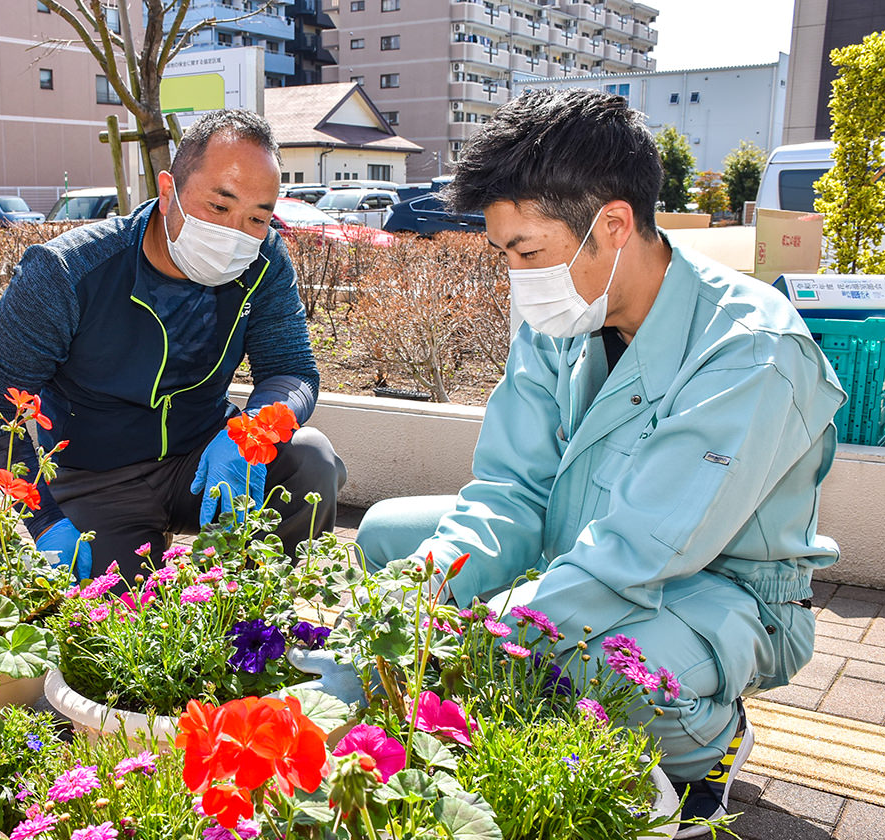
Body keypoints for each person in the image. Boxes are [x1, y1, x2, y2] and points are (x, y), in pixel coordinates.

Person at [355, 89, 845, 838]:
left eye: (528, 252)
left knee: (608, 667)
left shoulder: (749, 348)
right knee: (394, 541)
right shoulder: (567, 310)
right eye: (505, 256)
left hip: (721, 588)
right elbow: (511, 489)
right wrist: (422, 595)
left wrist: (485, 636)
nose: (519, 278)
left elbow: (639, 550)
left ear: (613, 225)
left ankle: (708, 741)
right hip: (581, 546)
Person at [0, 109, 346, 583]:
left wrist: (252, 431)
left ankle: (257, 621)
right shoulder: (66, 271)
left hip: (205, 456)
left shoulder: (264, 261)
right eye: (219, 206)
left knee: (312, 459)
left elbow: (292, 371)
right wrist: (44, 522)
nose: (235, 232)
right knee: (121, 631)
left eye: (257, 217)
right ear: (168, 193)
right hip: (96, 476)